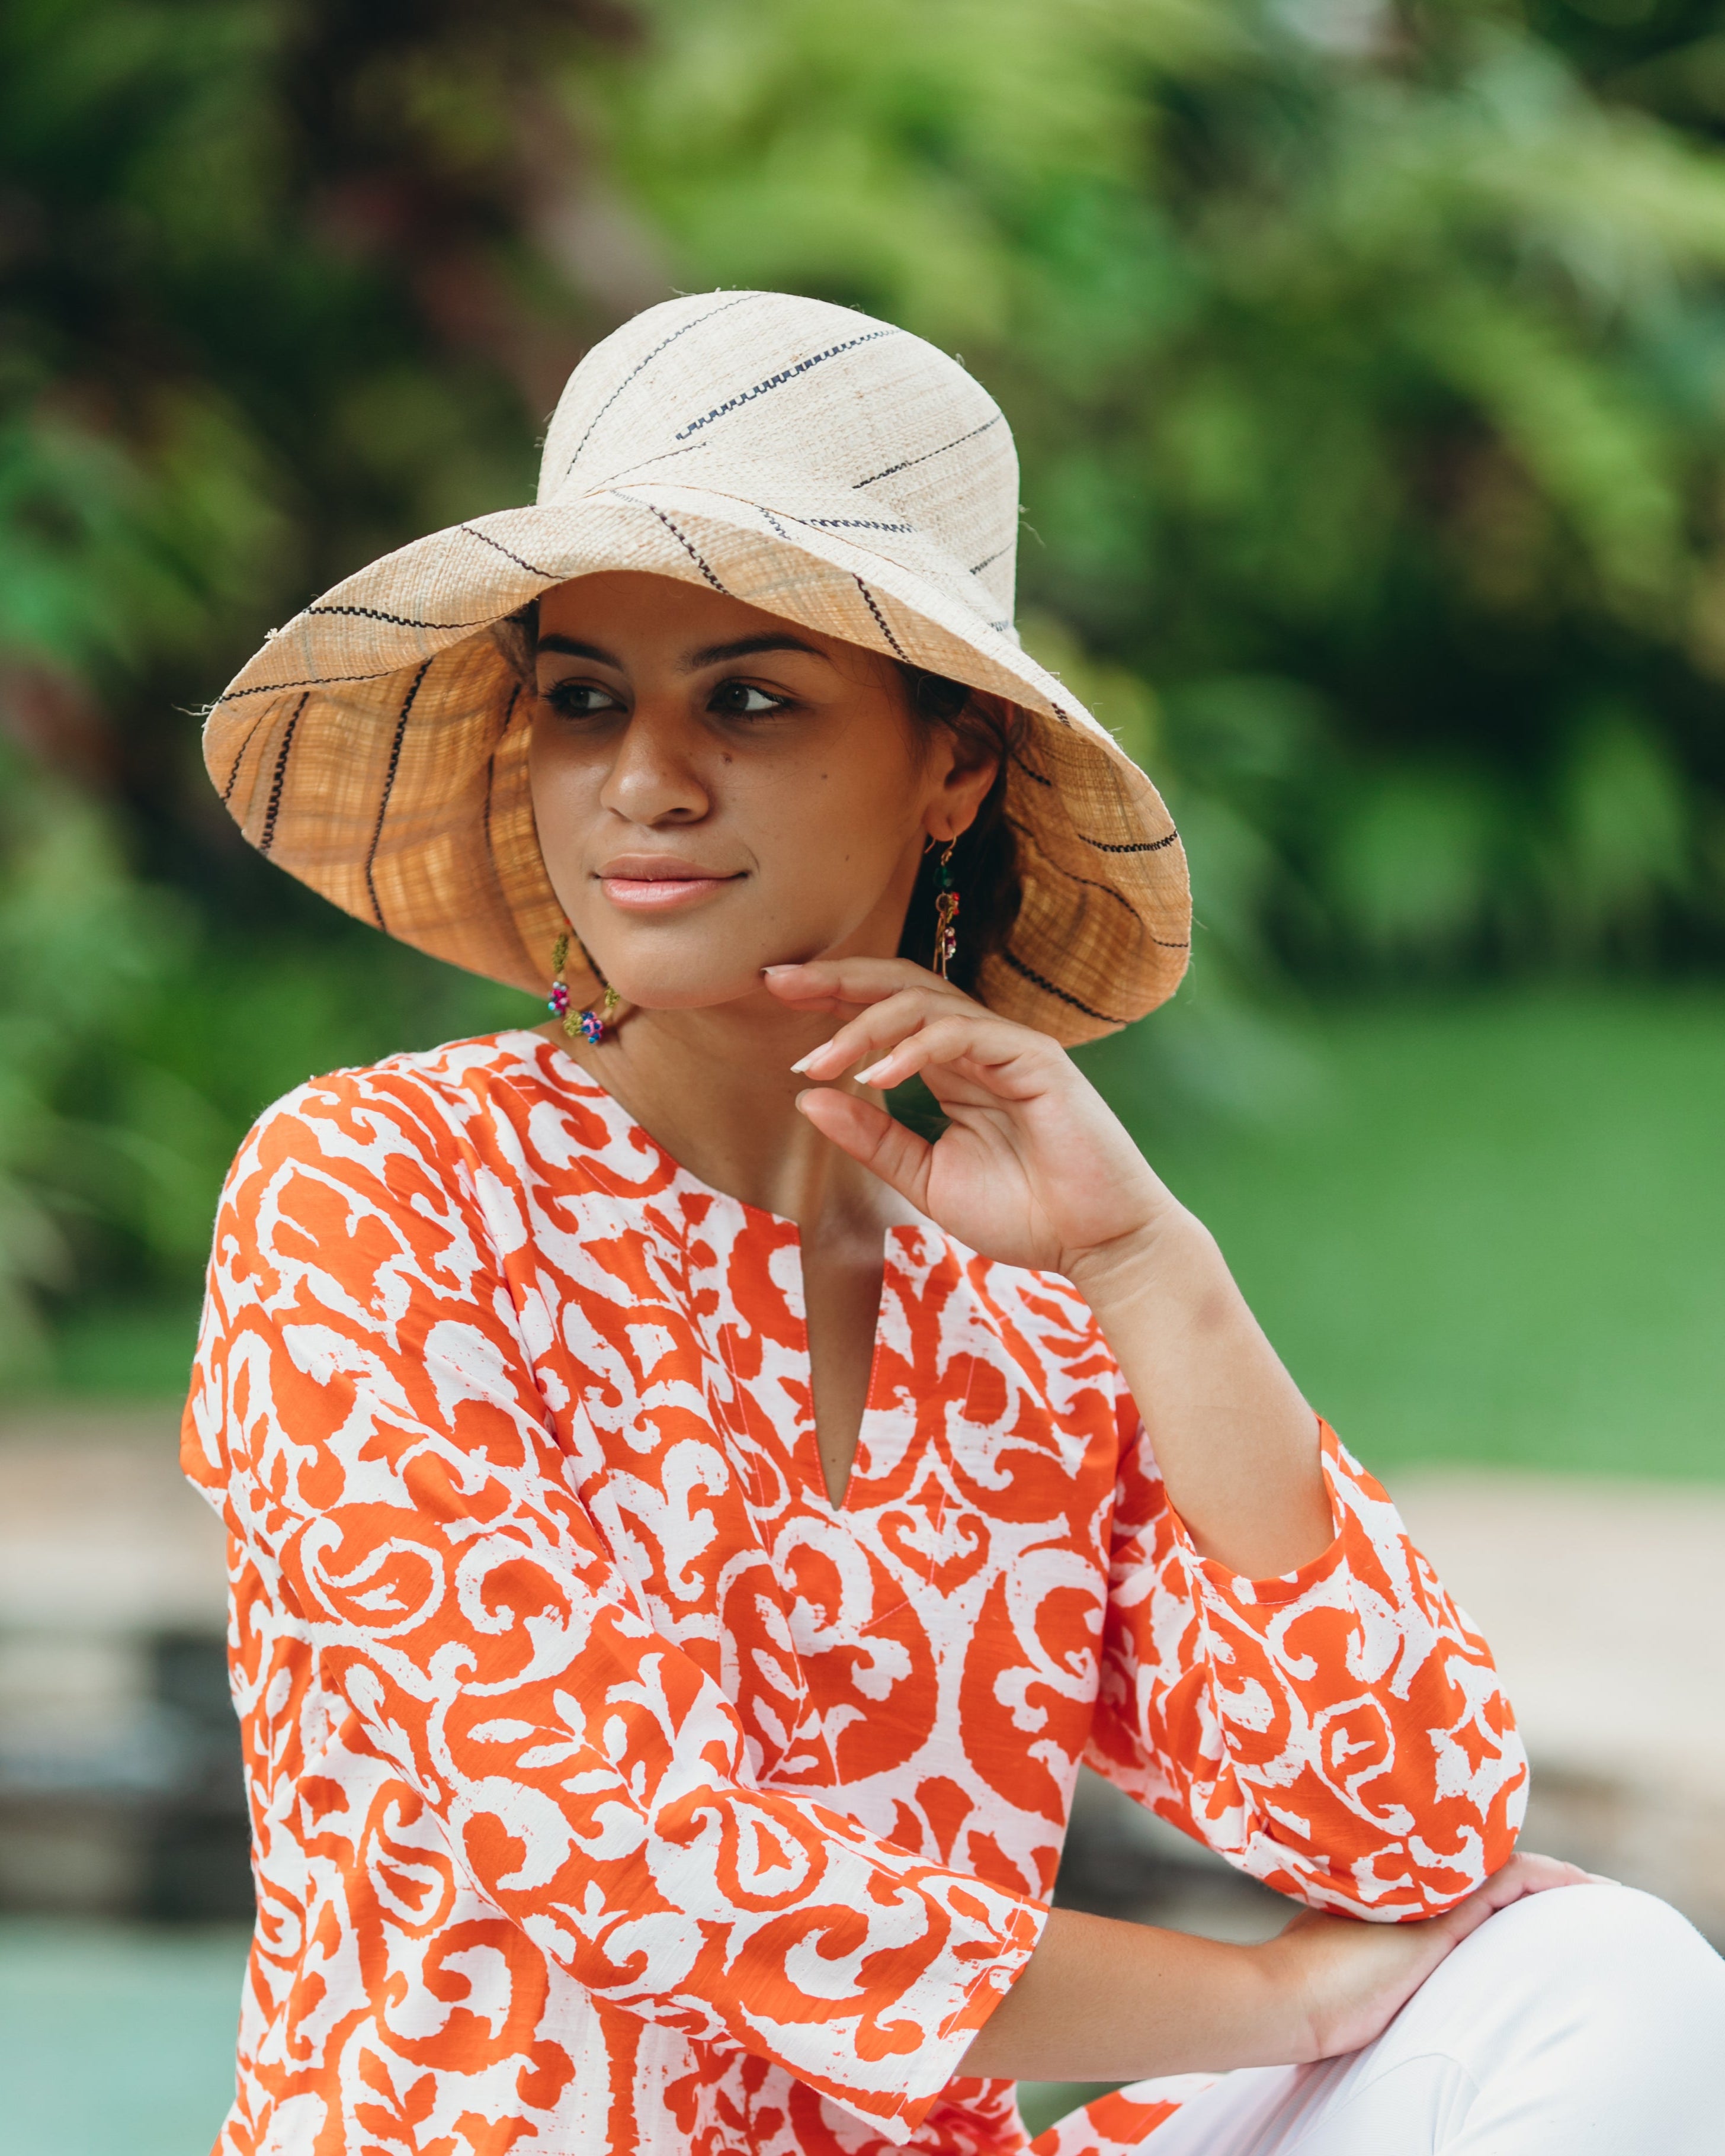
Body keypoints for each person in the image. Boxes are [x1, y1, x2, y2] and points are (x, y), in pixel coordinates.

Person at [185, 292, 1723, 2156]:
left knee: (1611, 1978)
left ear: (957, 763)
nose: (646, 781)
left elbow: (1411, 1829)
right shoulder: (378, 1190)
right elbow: (628, 1858)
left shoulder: (1027, 1320)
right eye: (585, 700)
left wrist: (1150, 1265)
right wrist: (1270, 2000)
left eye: (748, 698)